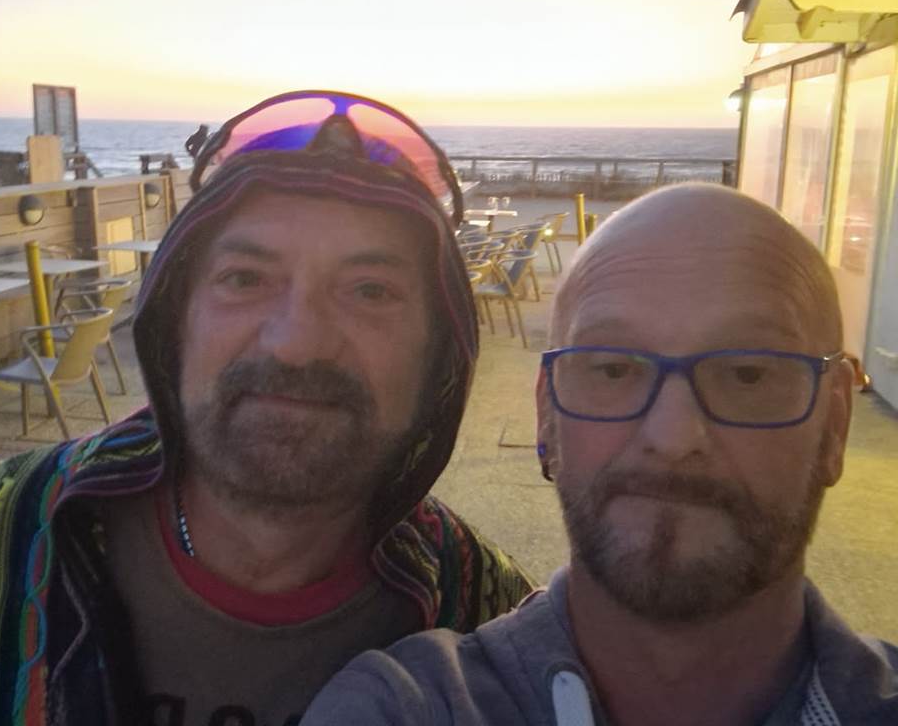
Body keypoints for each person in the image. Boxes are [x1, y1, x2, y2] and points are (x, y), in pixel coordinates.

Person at [0, 91, 532, 726]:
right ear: (174, 323)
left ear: (437, 355)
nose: (296, 343)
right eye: (245, 279)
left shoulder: (490, 620)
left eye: (370, 290)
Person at [302, 183, 898, 725]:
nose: (672, 437)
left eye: (746, 374)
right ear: (546, 419)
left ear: (837, 423)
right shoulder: (403, 707)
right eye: (612, 369)